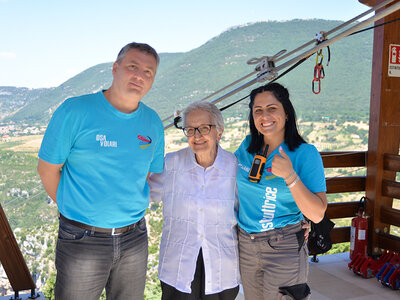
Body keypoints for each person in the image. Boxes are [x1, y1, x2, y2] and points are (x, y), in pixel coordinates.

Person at [37, 42, 165, 300]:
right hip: (82, 238)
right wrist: (75, 212)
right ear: (115, 68)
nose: (139, 75)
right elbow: (47, 170)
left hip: (134, 238)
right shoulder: (74, 111)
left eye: (148, 72)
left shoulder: (152, 122)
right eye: (132, 67)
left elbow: (150, 176)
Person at [235, 82, 327, 300]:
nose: (264, 115)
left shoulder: (304, 154)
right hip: (246, 243)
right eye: (258, 110)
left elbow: (317, 214)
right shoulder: (247, 146)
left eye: (271, 108)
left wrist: (290, 176)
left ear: (286, 112)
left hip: (282, 246)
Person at [148, 101, 240, 300]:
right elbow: (144, 194)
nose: (197, 136)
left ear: (219, 132)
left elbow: (250, 211)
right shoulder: (171, 163)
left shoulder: (234, 167)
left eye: (204, 128)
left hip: (221, 268)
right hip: (177, 266)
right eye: (190, 130)